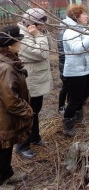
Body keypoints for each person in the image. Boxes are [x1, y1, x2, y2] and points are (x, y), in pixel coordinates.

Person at [16, 8, 53, 159]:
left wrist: (41, 34)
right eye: (41, 24)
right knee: (28, 113)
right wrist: (38, 35)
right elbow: (41, 53)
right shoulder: (21, 36)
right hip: (30, 81)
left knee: (35, 111)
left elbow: (49, 46)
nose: (43, 27)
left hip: (37, 79)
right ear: (33, 24)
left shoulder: (35, 33)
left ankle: (35, 137)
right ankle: (21, 146)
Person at [62, 4, 89, 136]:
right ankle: (68, 126)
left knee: (82, 97)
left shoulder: (80, 29)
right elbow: (77, 49)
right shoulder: (70, 31)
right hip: (75, 71)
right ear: (76, 16)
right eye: (84, 14)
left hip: (85, 69)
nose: (87, 16)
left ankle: (78, 121)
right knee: (75, 100)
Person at [0, 25, 33, 189]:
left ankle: (8, 174)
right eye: (18, 41)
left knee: (6, 147)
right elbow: (10, 99)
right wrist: (27, 111)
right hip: (4, 116)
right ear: (9, 46)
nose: (20, 44)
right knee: (3, 148)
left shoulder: (9, 61)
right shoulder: (6, 67)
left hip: (5, 115)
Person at [57, 19, 68, 114]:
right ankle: (61, 106)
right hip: (65, 65)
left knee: (71, 87)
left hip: (70, 65)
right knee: (65, 87)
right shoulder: (62, 35)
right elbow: (62, 54)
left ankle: (68, 103)